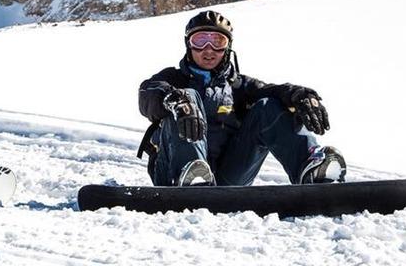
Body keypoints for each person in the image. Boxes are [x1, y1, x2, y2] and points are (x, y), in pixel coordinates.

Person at [137, 10, 345, 186]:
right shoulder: (172, 78)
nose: (208, 50)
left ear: (227, 47)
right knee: (185, 98)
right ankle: (192, 174)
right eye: (200, 41)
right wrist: (173, 99)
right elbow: (148, 94)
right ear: (189, 45)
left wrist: (299, 95)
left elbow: (273, 91)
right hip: (172, 172)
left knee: (268, 106)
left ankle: (310, 170)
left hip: (228, 177)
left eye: (217, 41)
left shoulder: (239, 86)